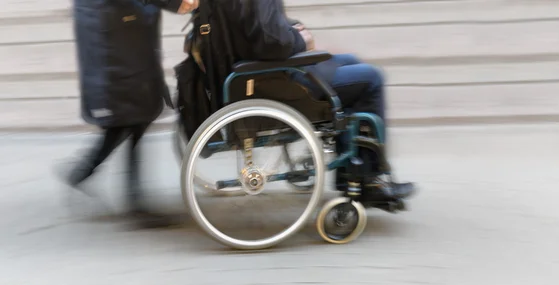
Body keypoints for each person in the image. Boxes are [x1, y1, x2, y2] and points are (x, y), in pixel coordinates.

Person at [218, 0, 416, 204]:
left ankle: (353, 173)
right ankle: (367, 180)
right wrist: (301, 39)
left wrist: (291, 29)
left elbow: (262, 29)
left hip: (265, 75)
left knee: (351, 61)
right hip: (279, 79)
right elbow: (272, 42)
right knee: (371, 78)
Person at [57, 0, 199, 229]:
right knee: (129, 113)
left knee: (134, 114)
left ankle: (89, 176)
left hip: (120, 24)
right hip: (113, 31)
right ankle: (132, 199)